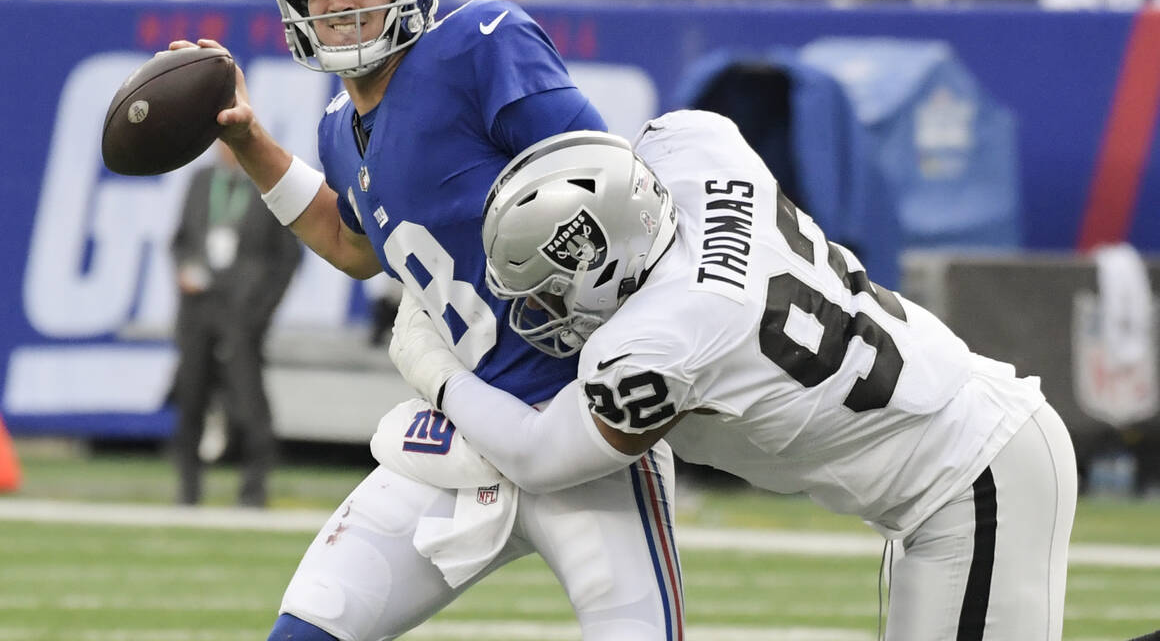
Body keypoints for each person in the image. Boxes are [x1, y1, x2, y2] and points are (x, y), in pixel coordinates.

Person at [169, 0, 684, 641]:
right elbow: (350, 246)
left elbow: (614, 194)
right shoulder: (338, 129)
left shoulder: (479, 44)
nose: (339, 1)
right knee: (307, 628)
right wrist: (248, 142)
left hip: (582, 428)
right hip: (462, 439)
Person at [390, 109, 1079, 640]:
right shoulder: (697, 151)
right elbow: (617, 161)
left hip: (974, 475)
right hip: (963, 455)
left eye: (550, 291)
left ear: (602, 261)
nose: (543, 313)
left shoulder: (657, 339)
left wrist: (436, 373)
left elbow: (540, 455)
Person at [169, 140, 301, 508]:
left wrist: (261, 311)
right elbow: (181, 240)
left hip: (243, 314)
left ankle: (254, 489)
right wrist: (185, 270)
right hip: (198, 308)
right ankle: (188, 490)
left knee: (248, 401)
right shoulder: (201, 180)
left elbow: (287, 259)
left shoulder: (267, 185)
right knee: (191, 396)